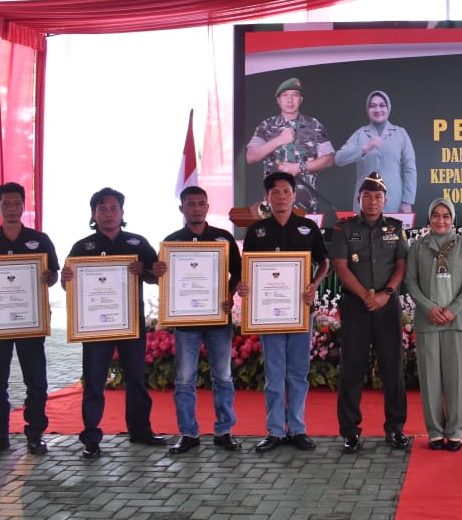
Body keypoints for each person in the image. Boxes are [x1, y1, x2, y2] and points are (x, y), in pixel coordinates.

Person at [62, 187, 164, 458]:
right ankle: (91, 438)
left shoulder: (137, 243)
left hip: (131, 324)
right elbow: (68, 285)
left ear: (122, 212)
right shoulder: (82, 247)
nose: (109, 213)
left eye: (114, 208)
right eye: (102, 209)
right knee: (94, 382)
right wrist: (65, 279)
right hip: (96, 327)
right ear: (93, 213)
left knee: (136, 380)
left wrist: (146, 270)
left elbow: (156, 276)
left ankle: (140, 431)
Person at [237, 172, 329, 453]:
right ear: (267, 197)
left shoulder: (307, 228)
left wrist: (314, 285)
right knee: (274, 374)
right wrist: (244, 286)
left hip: (300, 310)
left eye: (286, 191)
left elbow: (324, 262)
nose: (281, 197)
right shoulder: (257, 231)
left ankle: (298, 428)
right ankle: (275, 430)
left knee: (298, 373)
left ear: (294, 195)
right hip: (269, 314)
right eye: (275, 192)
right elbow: (248, 268)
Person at [0, 182, 60, 458]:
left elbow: (53, 275)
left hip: (31, 322)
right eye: (6, 204)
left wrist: (49, 278)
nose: (11, 208)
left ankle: (35, 435)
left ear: (23, 205)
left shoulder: (40, 240)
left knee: (36, 381)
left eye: (16, 203)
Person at [153, 186, 244, 454]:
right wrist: (157, 271)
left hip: (218, 319)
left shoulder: (223, 238)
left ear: (207, 207)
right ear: (182, 208)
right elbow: (165, 280)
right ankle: (188, 433)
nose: (196, 208)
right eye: (190, 204)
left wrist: (229, 295)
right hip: (186, 323)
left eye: (200, 203)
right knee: (184, 379)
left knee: (223, 377)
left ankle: (224, 431)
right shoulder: (172, 242)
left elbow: (238, 273)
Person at [330, 171, 410, 453]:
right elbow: (341, 267)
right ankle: (350, 431)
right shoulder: (344, 228)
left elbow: (401, 266)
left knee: (393, 368)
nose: (372, 201)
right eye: (367, 196)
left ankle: (395, 428)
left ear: (385, 200)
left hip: (387, 305)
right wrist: (367, 296)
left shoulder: (396, 228)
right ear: (359, 199)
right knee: (352, 368)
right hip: (356, 306)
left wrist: (385, 294)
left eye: (377, 197)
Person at [406, 198, 462, 451]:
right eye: (436, 215)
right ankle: (435, 431)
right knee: (430, 379)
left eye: (446, 216)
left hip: (456, 321)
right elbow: (411, 281)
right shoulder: (418, 246)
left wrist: (452, 309)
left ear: (452, 219)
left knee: (456, 378)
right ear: (429, 218)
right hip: (428, 321)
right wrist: (429, 308)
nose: (441, 220)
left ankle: (456, 431)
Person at [245, 77, 335, 212]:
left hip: (307, 204)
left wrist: (299, 167)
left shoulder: (314, 125)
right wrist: (279, 140)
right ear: (278, 100)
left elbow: (329, 159)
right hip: (274, 205)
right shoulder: (266, 125)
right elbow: (251, 156)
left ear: (301, 99)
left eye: (295, 95)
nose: (290, 100)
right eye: (285, 95)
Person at [334, 90, 417, 214]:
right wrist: (364, 148)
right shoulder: (360, 134)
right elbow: (338, 159)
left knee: (392, 228)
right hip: (364, 202)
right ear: (368, 110)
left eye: (382, 105)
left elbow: (410, 169)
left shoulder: (400, 133)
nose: (377, 110)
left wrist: (407, 201)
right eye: (372, 106)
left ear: (388, 108)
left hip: (393, 201)